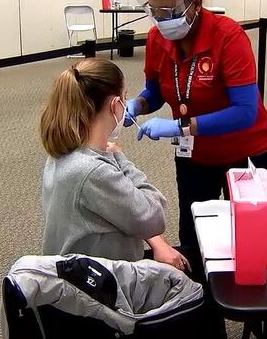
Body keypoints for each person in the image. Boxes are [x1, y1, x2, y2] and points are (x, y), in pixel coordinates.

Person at [125, 0, 267, 339]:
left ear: (195, 4)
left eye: (168, 11)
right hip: (195, 156)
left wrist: (180, 124)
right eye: (154, 11)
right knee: (197, 248)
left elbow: (245, 112)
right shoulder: (158, 39)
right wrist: (138, 104)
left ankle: (265, 329)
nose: (160, 20)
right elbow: (156, 89)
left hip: (246, 150)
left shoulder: (229, 38)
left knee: (253, 247)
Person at [39, 58, 188, 271]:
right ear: (115, 105)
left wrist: (157, 242)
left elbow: (123, 210)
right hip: (103, 288)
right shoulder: (94, 172)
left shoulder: (62, 153)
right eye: (125, 98)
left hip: (75, 273)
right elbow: (154, 216)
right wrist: (121, 159)